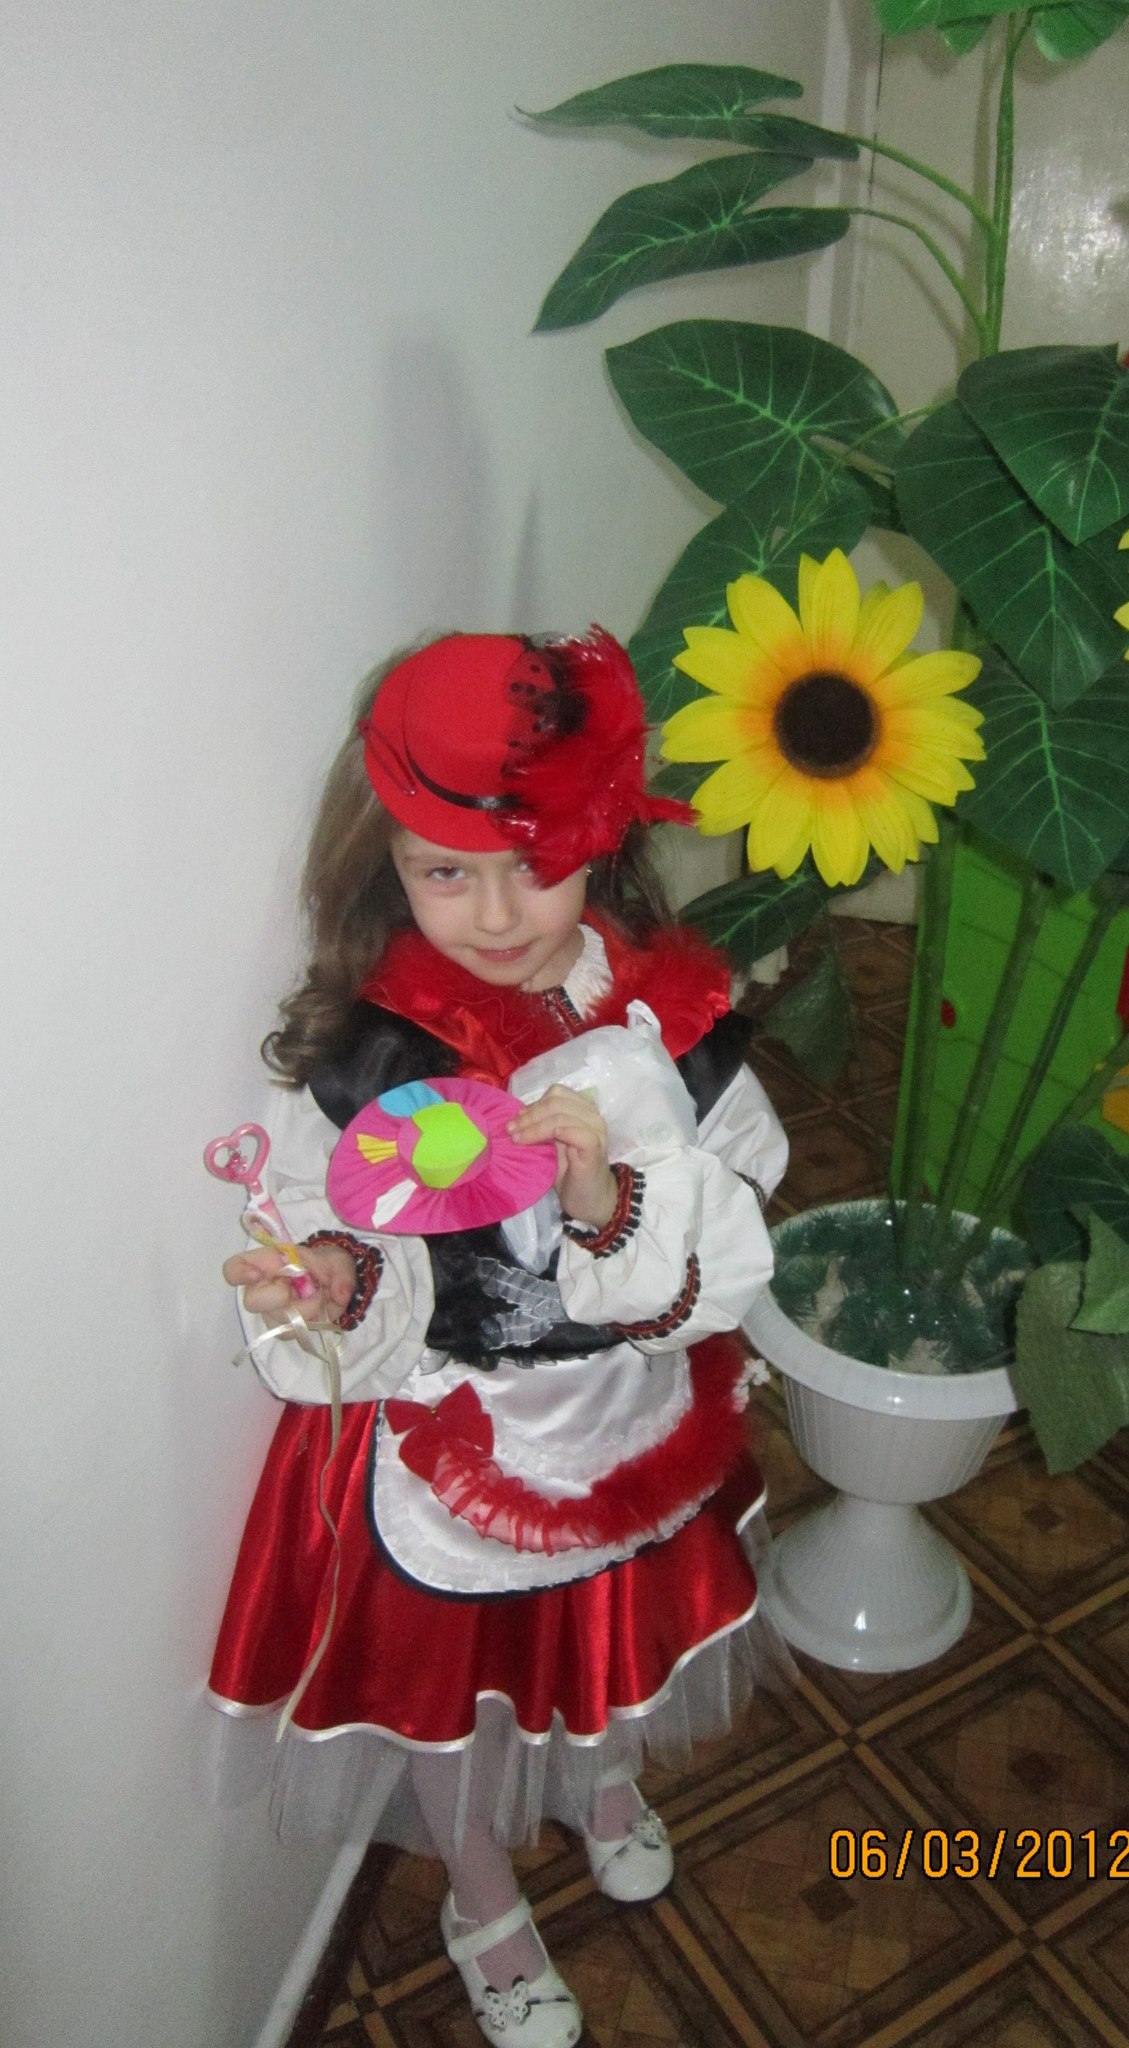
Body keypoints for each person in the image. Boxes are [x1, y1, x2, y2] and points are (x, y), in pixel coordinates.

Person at [209, 630, 789, 2047]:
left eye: (532, 860)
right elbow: (344, 1220)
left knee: (610, 1633)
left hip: (632, 1404)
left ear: (600, 837)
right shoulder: (374, 1051)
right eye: (443, 872)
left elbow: (742, 1196)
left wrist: (609, 1200)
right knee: (461, 1690)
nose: (495, 912)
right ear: (387, 869)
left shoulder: (671, 1014)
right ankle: (478, 1892)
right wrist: (328, 1280)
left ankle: (598, 1778)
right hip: (461, 1431)